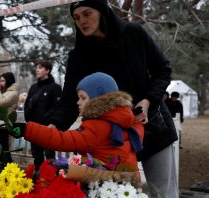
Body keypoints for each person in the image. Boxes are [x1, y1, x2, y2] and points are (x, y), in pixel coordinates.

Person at [47, 1, 178, 197]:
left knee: (163, 193)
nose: (82, 21)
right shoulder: (78, 56)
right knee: (111, 193)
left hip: (152, 126)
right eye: (77, 17)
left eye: (87, 13)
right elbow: (68, 101)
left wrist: (148, 100)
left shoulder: (134, 34)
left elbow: (162, 70)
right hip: (108, 141)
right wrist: (53, 126)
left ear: (102, 12)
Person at [9, 72, 144, 171]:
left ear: (99, 100)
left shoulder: (97, 128)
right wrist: (138, 120)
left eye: (83, 97)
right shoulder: (128, 124)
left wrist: (27, 129)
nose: (78, 102)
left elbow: (62, 140)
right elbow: (139, 130)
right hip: (128, 187)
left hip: (103, 187)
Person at [23, 60, 62, 170]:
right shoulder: (34, 87)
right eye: (37, 67)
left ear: (47, 70)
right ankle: (37, 179)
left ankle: (50, 181)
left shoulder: (55, 88)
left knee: (50, 158)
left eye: (40, 67)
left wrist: (52, 123)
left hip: (47, 129)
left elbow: (57, 108)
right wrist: (28, 122)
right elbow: (27, 105)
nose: (37, 69)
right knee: (37, 157)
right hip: (33, 128)